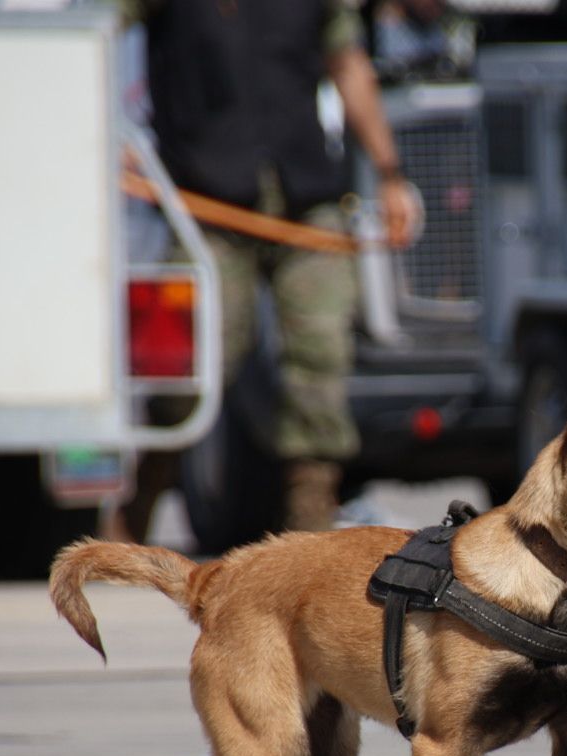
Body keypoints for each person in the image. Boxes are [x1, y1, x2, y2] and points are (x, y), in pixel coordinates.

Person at [110, 0, 417, 542]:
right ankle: (141, 502)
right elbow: (95, 41)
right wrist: (107, 136)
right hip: (207, 201)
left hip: (304, 198)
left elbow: (348, 64)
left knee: (320, 353)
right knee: (190, 362)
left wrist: (390, 174)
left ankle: (311, 522)